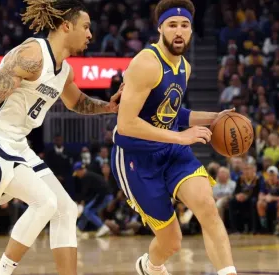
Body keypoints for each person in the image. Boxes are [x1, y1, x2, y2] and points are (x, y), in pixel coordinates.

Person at [0, 0, 121, 274]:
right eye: (86, 27)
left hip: (15, 143)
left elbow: (76, 102)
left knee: (65, 208)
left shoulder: (64, 70)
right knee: (45, 202)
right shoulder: (33, 55)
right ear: (67, 26)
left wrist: (109, 107)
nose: (91, 34)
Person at [111, 0, 237, 274]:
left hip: (170, 151)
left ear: (191, 31)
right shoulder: (146, 63)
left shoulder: (185, 68)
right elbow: (126, 125)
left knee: (207, 207)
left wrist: (214, 117)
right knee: (171, 242)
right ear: (160, 29)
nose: (179, 31)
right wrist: (181, 138)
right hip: (137, 157)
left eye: (184, 25)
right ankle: (150, 266)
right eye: (172, 25)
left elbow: (173, 113)